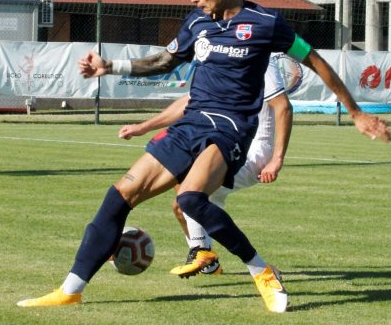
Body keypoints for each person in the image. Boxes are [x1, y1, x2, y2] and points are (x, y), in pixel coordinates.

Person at [17, 0, 391, 313]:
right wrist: (110, 66)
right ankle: (70, 291)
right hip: (191, 123)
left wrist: (355, 112)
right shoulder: (197, 23)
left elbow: (313, 59)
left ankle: (261, 270)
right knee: (119, 195)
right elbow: (165, 61)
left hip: (230, 130)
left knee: (192, 199)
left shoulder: (266, 23)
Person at [118, 61, 293, 276]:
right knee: (181, 207)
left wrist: (276, 159)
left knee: (185, 184)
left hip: (254, 151)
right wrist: (142, 127)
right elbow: (189, 102)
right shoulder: (222, 53)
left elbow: (282, 107)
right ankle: (209, 262)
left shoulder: (261, 57)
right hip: (230, 143)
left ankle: (208, 253)